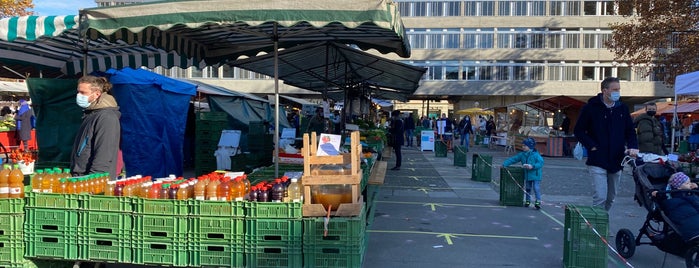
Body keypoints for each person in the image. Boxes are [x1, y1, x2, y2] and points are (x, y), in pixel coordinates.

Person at [574, 77, 639, 211]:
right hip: (597, 159)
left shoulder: (622, 109)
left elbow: (630, 131)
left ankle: (603, 221)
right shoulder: (590, 108)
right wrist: (592, 146)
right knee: (600, 197)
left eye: (619, 89)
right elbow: (579, 130)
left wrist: (633, 147)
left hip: (617, 160)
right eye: (615, 89)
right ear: (605, 90)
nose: (618, 92)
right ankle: (597, 230)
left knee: (610, 198)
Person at [70, 75, 121, 180]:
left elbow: (104, 154)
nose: (79, 96)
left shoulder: (106, 117)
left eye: (83, 93)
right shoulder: (91, 114)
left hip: (93, 182)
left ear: (97, 94)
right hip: (82, 178)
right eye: (78, 92)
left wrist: (94, 181)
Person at [651, 172, 699, 242]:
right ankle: (694, 232)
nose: (690, 184)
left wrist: (696, 188)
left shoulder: (688, 191)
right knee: (688, 218)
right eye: (687, 183)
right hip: (679, 209)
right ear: (679, 187)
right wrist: (656, 193)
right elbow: (662, 196)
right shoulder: (669, 193)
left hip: (690, 208)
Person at [502, 138, 545, 209]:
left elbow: (540, 163)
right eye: (523, 145)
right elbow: (513, 159)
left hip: (536, 175)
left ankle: (538, 201)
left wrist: (532, 166)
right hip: (528, 175)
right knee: (528, 188)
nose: (523, 147)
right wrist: (505, 164)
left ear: (530, 146)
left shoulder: (536, 155)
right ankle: (527, 200)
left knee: (536, 188)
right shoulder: (522, 155)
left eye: (525, 146)